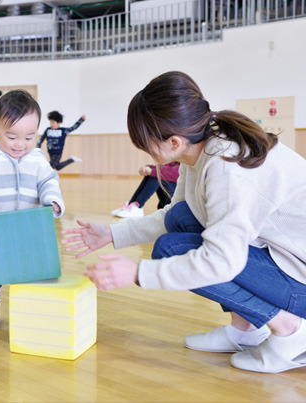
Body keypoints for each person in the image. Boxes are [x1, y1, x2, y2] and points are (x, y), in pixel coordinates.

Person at [62, 71, 306, 374]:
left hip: (300, 280)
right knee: (180, 218)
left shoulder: (225, 168)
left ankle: (291, 331)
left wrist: (138, 272)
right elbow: (176, 215)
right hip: (284, 261)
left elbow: (222, 262)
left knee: (171, 249)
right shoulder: (203, 146)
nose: (145, 150)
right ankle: (246, 330)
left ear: (174, 141)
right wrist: (112, 233)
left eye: (146, 143)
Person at [0, 90, 65, 331]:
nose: (20, 144)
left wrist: (53, 200)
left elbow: (49, 182)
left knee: (36, 271)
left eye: (29, 137)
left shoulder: (38, 159)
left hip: (30, 232)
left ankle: (33, 306)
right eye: (11, 137)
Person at [111, 162, 179, 218]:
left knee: (157, 174)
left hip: (177, 206)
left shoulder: (187, 163)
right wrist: (148, 168)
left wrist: (152, 171)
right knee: (154, 173)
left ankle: (137, 206)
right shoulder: (179, 161)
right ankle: (132, 204)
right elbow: (165, 167)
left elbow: (175, 173)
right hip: (169, 202)